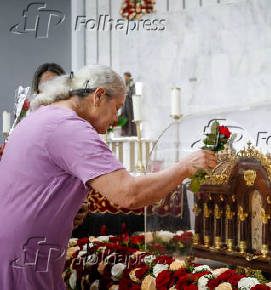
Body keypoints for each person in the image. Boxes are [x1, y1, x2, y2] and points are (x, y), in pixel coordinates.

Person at [0, 64, 216, 289]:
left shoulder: (42, 116)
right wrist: (184, 167)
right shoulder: (69, 127)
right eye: (117, 108)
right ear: (99, 95)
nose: (115, 118)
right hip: (26, 256)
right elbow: (128, 194)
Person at [120, 72, 137, 136]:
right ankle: (124, 132)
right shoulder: (124, 84)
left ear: (128, 77)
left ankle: (131, 132)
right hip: (124, 103)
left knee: (130, 118)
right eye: (124, 77)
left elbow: (133, 93)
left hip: (130, 104)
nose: (125, 78)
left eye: (126, 77)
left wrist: (127, 92)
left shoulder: (132, 85)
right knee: (124, 117)